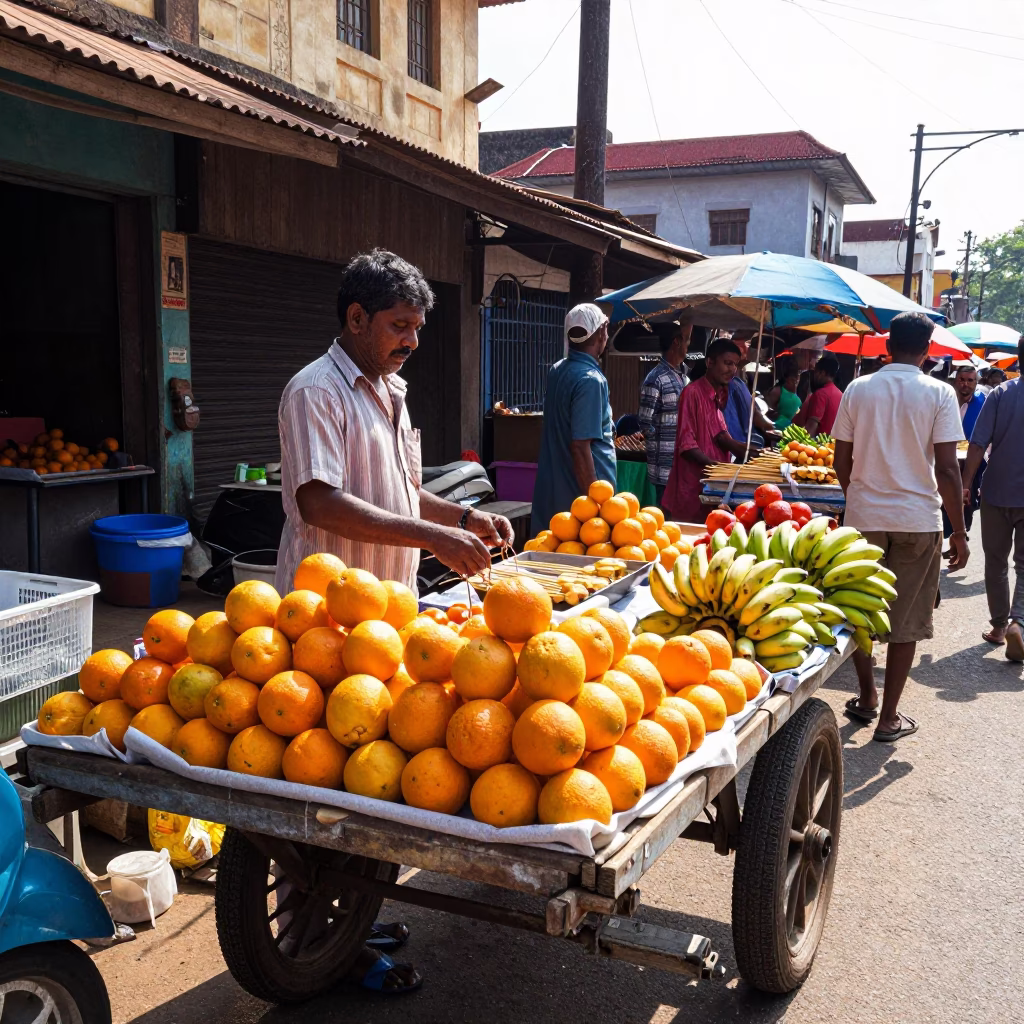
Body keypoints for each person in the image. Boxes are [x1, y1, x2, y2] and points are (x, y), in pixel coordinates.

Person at [833, 311, 969, 743]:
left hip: (864, 518)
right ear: (928, 350)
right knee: (905, 619)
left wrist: (859, 494)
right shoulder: (939, 393)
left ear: (888, 345)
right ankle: (889, 716)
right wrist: (960, 531)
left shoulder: (858, 388)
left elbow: (841, 460)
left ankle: (868, 695)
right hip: (917, 520)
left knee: (861, 612)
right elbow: (948, 471)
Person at [961, 334, 1024, 660]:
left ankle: (1000, 626)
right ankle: (1020, 622)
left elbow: (977, 442)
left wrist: (966, 482)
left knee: (996, 562)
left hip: (997, 490)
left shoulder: (1000, 393)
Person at [532, 303, 616, 533]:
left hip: (554, 495)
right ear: (601, 332)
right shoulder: (590, 380)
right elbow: (580, 447)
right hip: (579, 508)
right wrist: (596, 509)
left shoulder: (558, 370)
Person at [663, 339, 760, 523]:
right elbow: (687, 445)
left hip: (712, 490)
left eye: (735, 365)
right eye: (727, 363)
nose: (732, 370)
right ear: (710, 362)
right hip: (692, 487)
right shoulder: (692, 393)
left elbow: (721, 436)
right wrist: (718, 470)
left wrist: (752, 452)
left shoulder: (718, 395)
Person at [638, 320, 691, 506]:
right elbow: (645, 422)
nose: (688, 345)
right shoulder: (656, 378)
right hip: (664, 467)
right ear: (676, 342)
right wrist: (662, 445)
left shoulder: (684, 376)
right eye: (686, 341)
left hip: (682, 464)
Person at [722, 334, 778, 447]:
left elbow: (755, 413)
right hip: (738, 444)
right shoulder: (734, 384)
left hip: (741, 442)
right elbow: (755, 415)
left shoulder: (739, 382)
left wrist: (772, 427)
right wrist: (771, 427)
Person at [792, 354, 843, 436]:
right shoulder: (841, 394)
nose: (814, 376)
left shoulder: (820, 394)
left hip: (818, 445)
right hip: (832, 444)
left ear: (822, 373)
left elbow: (811, 427)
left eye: (815, 372)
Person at [764, 360, 802, 429]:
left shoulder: (796, 393)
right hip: (776, 430)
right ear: (787, 379)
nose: (795, 383)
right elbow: (766, 412)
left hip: (792, 431)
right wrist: (782, 420)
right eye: (793, 380)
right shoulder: (777, 391)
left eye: (797, 380)